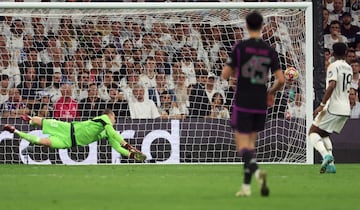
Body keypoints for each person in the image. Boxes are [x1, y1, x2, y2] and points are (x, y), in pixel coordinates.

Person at [221, 11, 285, 197]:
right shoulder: (269, 50)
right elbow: (281, 80)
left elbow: (225, 74)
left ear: (247, 26)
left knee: (242, 146)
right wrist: (270, 93)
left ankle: (258, 174)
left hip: (243, 101)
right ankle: (246, 187)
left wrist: (234, 75)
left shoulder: (240, 47)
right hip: (260, 102)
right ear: (262, 26)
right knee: (251, 146)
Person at [3, 109, 146, 162]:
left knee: (44, 142)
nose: (114, 121)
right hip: (67, 128)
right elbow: (113, 133)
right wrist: (128, 146)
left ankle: (15, 131)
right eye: (114, 118)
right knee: (41, 121)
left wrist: (132, 155)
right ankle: (30, 120)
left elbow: (117, 147)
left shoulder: (107, 132)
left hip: (68, 141)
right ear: (109, 116)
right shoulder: (104, 119)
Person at [308, 42, 352, 174]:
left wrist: (321, 105)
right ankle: (331, 165)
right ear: (346, 53)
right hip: (346, 108)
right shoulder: (349, 67)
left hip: (333, 106)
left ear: (332, 53)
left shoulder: (334, 66)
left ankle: (325, 155)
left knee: (312, 132)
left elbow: (332, 85)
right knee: (324, 133)